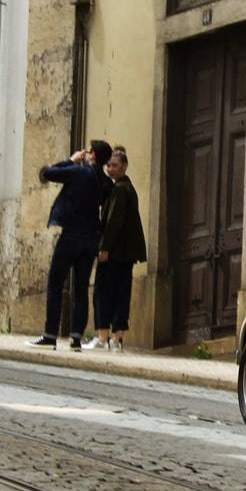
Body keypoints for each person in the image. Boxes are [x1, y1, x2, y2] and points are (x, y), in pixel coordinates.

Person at [33, 138, 113, 349]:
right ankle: (76, 337)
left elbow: (48, 173)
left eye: (88, 151)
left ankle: (50, 334)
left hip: (71, 235)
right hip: (91, 238)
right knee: (81, 287)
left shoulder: (80, 172)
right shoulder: (104, 182)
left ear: (93, 155)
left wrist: (70, 160)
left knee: (56, 282)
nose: (85, 153)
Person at [91, 145, 145, 351]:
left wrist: (104, 247)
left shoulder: (120, 190)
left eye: (114, 165)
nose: (110, 169)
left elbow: (114, 220)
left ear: (124, 167)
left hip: (115, 252)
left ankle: (103, 336)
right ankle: (118, 338)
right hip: (127, 253)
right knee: (123, 292)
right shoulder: (129, 188)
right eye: (108, 165)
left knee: (104, 292)